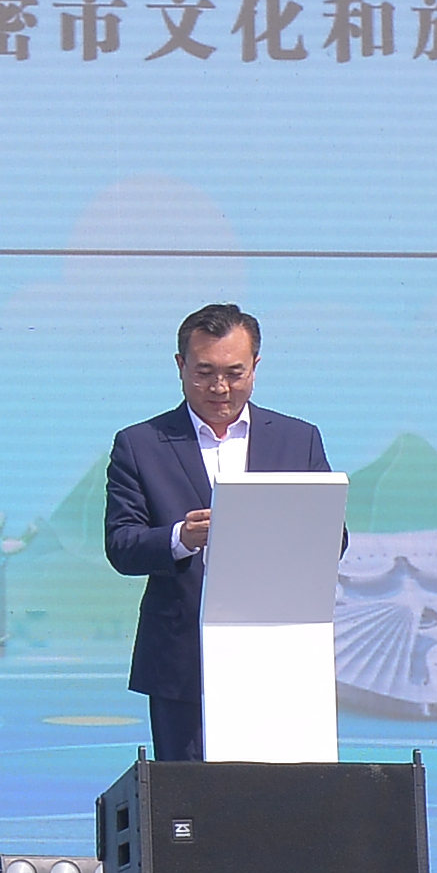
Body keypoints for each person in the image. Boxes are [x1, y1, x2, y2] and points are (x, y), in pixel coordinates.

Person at [98, 302, 326, 766]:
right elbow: (122, 545)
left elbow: (332, 540)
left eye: (234, 373)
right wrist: (181, 537)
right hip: (183, 662)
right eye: (204, 373)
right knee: (188, 799)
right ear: (180, 366)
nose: (220, 388)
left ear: (255, 367)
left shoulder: (296, 439)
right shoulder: (140, 444)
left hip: (280, 656)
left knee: (280, 795)